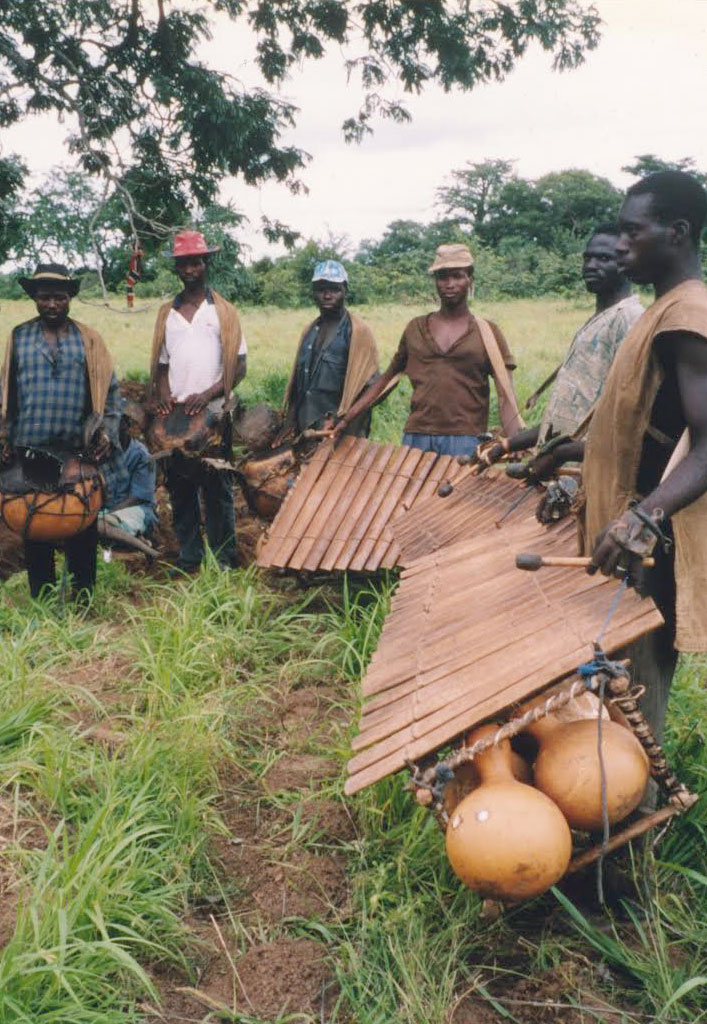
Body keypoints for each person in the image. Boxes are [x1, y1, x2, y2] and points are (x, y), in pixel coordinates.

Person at [554, 171, 707, 743]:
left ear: (678, 232)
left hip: (649, 552)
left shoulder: (687, 317)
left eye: (630, 232)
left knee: (633, 698)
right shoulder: (663, 310)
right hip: (630, 541)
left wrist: (643, 517)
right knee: (616, 689)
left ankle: (642, 825)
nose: (620, 246)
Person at [0, 263, 125, 599]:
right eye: (44, 298)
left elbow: (110, 395)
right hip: (30, 449)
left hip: (76, 448)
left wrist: (107, 433)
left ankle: (83, 599)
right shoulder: (19, 337)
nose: (51, 304)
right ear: (34, 299)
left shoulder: (89, 341)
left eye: (58, 297)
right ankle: (42, 598)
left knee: (82, 525)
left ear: (70, 297)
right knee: (34, 524)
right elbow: (6, 396)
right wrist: (4, 437)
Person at [476, 224, 644, 473]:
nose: (591, 265)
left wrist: (561, 455)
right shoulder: (599, 319)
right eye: (587, 257)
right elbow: (571, 414)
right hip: (561, 468)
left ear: (628, 264)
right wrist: (507, 444)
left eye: (604, 258)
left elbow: (626, 420)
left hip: (587, 473)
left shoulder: (628, 319)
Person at [331, 244, 522, 455]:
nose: (449, 284)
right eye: (442, 277)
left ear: (470, 279)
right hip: (417, 437)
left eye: (457, 276)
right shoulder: (415, 328)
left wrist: (516, 445)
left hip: (466, 439)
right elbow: (385, 380)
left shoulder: (488, 332)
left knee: (459, 489)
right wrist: (347, 418)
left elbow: (506, 397)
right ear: (435, 282)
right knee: (410, 489)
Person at [149, 230, 246, 572]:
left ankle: (223, 559)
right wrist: (163, 398)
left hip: (214, 410)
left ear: (206, 263)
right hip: (177, 413)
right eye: (184, 263)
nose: (190, 269)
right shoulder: (167, 313)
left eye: (196, 261)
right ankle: (190, 556)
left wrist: (207, 396)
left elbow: (240, 367)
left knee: (216, 485)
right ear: (177, 268)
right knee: (179, 485)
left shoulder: (223, 312)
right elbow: (161, 365)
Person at [281, 260, 379, 437]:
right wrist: (290, 419)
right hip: (307, 428)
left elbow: (371, 388)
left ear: (345, 291)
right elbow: (299, 384)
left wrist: (342, 419)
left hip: (343, 431)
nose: (327, 295)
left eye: (334, 289)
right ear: (313, 293)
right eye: (321, 289)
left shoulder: (358, 332)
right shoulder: (309, 331)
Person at [99, 414, 157, 538]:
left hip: (134, 510)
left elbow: (137, 497)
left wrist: (110, 513)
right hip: (104, 512)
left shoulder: (141, 455)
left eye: (115, 423)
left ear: (126, 425)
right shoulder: (101, 450)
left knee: (108, 523)